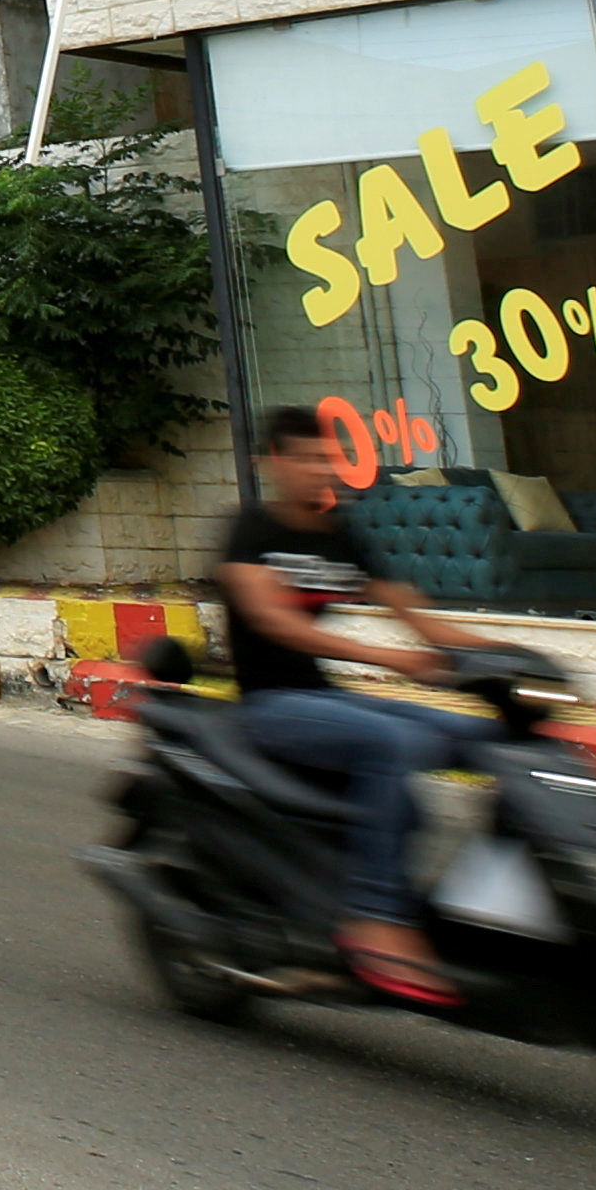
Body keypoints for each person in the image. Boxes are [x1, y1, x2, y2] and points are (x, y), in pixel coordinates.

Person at [217, 402, 486, 1005]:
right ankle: (376, 919)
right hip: (270, 705)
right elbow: (274, 621)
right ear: (273, 463)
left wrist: (506, 657)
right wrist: (388, 658)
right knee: (391, 742)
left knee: (479, 738)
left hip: (322, 699)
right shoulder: (252, 530)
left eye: (328, 458)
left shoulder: (341, 533)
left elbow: (418, 618)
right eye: (308, 459)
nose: (322, 470)